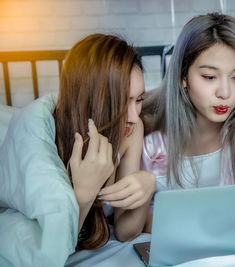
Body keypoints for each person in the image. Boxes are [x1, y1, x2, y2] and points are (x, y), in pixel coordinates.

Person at [132, 12, 235, 234]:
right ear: (182, 76)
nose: (225, 93)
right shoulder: (148, 138)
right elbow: (129, 223)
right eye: (210, 77)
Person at [54, 34, 156, 247]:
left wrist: (147, 186)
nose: (134, 117)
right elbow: (51, 249)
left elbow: (125, 232)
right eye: (122, 102)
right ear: (92, 100)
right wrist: (83, 196)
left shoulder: (132, 130)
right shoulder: (49, 139)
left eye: (139, 100)